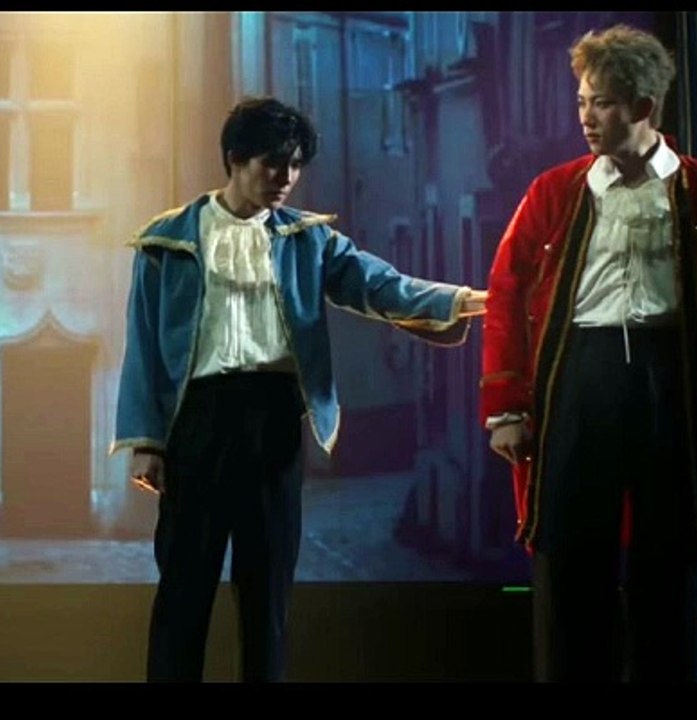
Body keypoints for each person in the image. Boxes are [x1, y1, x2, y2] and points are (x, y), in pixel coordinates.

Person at [111, 96, 487, 682]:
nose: (285, 177)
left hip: (274, 420)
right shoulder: (167, 240)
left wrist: (461, 300)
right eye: (273, 163)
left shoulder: (308, 239)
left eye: (294, 165)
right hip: (197, 422)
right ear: (235, 158)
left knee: (268, 594)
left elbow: (378, 284)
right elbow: (143, 345)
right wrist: (146, 441)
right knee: (184, 588)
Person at [480, 25, 697, 682]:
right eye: (582, 101)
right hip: (579, 375)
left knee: (668, 559)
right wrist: (507, 406)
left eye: (603, 103)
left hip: (673, 381)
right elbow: (506, 295)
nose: (586, 117)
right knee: (568, 556)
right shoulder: (554, 190)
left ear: (643, 106)